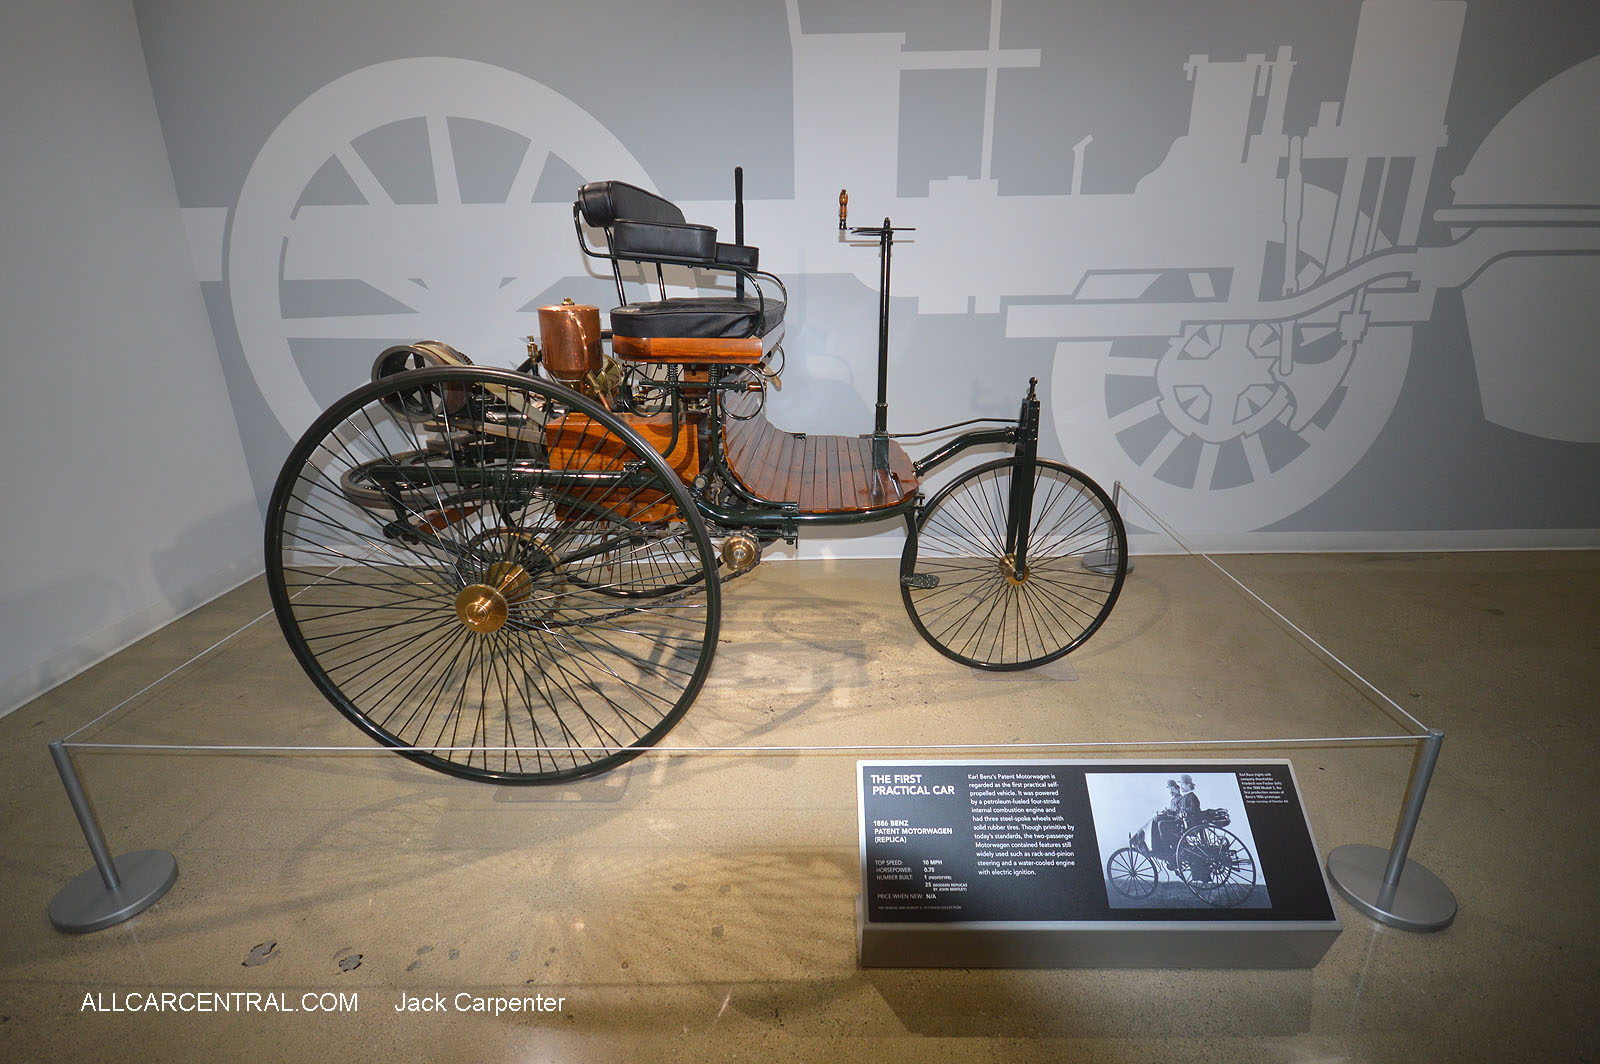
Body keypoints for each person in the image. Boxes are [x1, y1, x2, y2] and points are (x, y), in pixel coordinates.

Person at [1131, 779, 1182, 853]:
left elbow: (1179, 812)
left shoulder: (1180, 799)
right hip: (1172, 818)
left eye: (1173, 789)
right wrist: (1166, 811)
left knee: (1157, 819)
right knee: (1154, 819)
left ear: (1178, 789)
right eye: (1170, 790)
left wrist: (1169, 812)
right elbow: (1172, 810)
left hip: (1176, 821)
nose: (1171, 792)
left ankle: (1154, 845)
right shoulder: (1173, 800)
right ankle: (1144, 840)